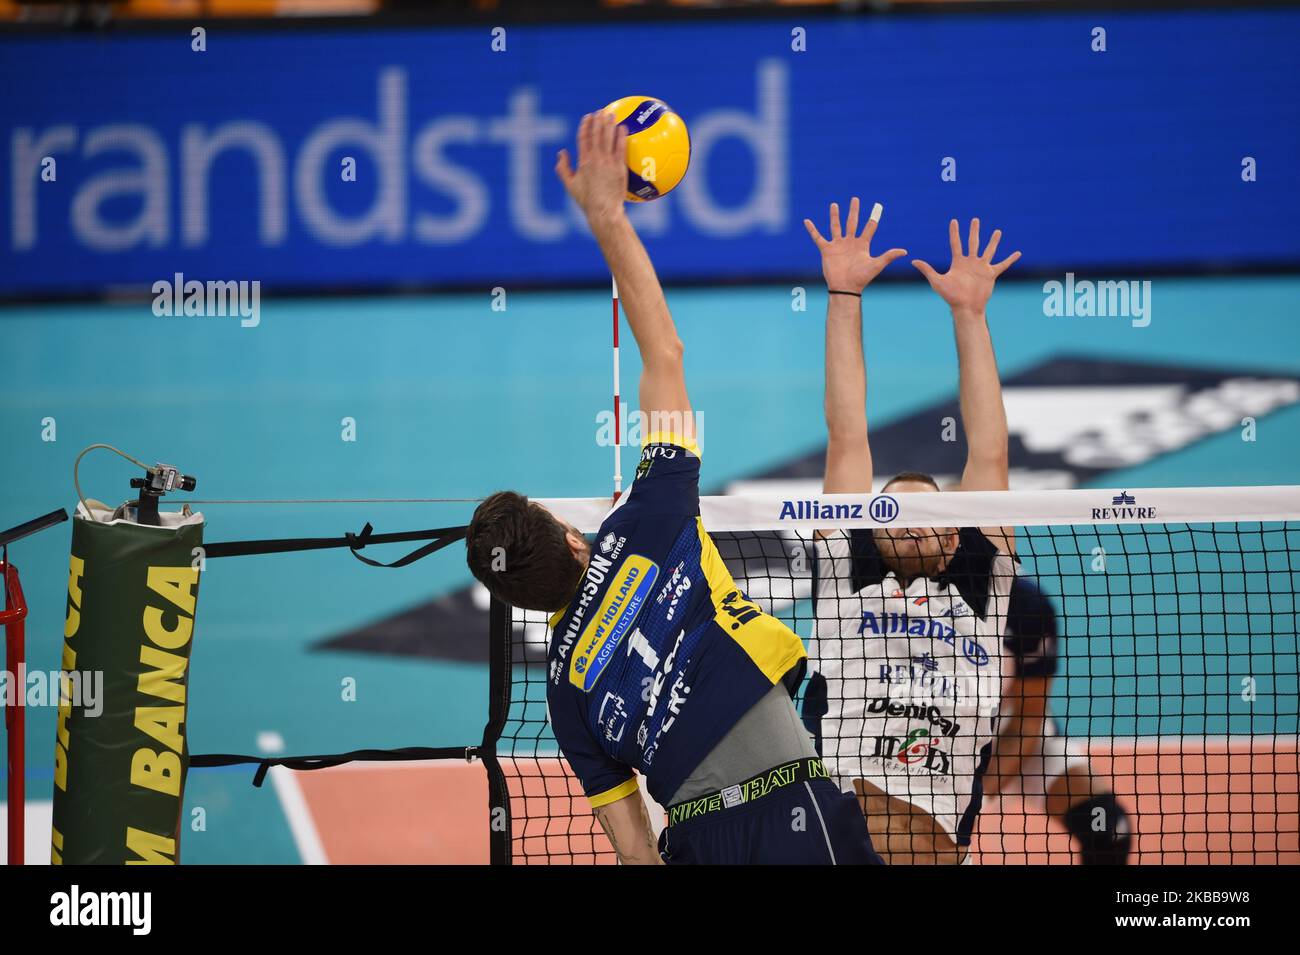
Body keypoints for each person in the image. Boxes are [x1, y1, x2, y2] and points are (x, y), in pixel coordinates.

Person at [465, 114, 881, 865]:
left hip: (695, 840)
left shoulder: (563, 690)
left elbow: (632, 847)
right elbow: (664, 352)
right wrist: (607, 220)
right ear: (569, 535)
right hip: (790, 806)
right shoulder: (646, 522)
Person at [802, 199, 1020, 863]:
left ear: (954, 538)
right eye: (892, 512)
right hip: (836, 816)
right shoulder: (844, 572)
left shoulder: (983, 587)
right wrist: (844, 295)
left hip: (932, 829)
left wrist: (970, 314)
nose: (912, 525)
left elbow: (988, 452)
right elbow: (848, 433)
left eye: (929, 515)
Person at [986, 575, 1134, 864]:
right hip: (928, 737)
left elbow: (1028, 719)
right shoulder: (904, 595)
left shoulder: (1025, 603)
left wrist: (976, 793)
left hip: (1010, 735)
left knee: (1107, 829)